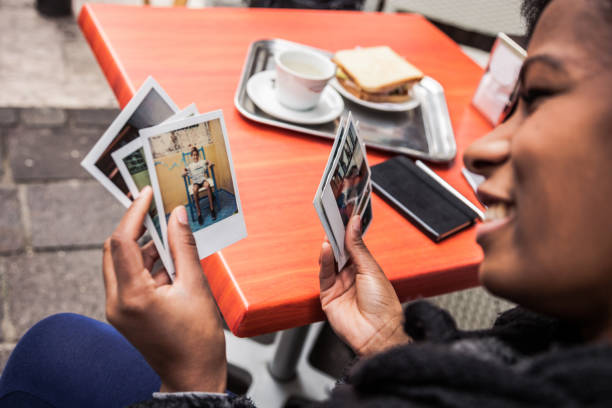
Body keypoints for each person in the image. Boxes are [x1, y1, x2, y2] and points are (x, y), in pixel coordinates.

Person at [2, 0, 612, 406]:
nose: (485, 147)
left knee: (59, 349)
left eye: (539, 95)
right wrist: (386, 343)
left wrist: (195, 381)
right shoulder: (555, 350)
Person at [184, 146, 216, 224]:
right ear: (191, 156)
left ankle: (212, 209)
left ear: (198, 155)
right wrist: (184, 172)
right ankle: (199, 214)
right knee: (194, 190)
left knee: (207, 185)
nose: (195, 156)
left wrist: (210, 164)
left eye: (196, 155)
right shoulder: (190, 165)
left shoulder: (201, 162)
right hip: (196, 182)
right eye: (193, 155)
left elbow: (208, 161)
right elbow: (185, 169)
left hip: (202, 180)